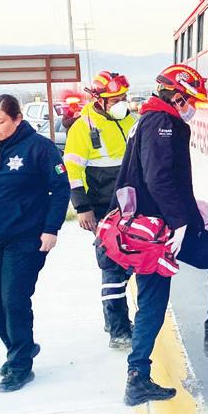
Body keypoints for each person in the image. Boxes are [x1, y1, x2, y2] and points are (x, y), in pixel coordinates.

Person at [115, 64, 208, 407]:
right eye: (190, 100)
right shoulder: (162, 123)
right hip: (162, 230)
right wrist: (181, 222)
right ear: (177, 96)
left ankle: (137, 377)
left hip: (151, 229)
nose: (192, 107)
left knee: (152, 302)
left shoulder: (148, 120)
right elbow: (159, 179)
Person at [0, 94, 70, 392]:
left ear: (17, 119)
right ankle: (21, 347)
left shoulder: (39, 148)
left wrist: (51, 229)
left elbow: (60, 188)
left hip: (27, 237)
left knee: (13, 300)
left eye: (1, 121)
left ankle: (20, 365)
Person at [63, 71, 136, 349]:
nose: (121, 102)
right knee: (112, 267)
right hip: (102, 208)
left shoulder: (130, 120)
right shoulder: (83, 128)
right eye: (115, 99)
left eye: (123, 97)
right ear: (99, 100)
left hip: (129, 205)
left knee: (128, 264)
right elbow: (73, 172)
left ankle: (114, 318)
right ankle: (118, 329)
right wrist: (82, 208)